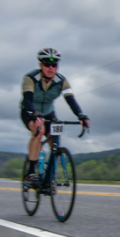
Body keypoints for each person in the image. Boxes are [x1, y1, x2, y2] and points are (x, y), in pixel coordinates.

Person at [20, 47, 91, 184]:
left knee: (56, 138)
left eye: (54, 65)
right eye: (47, 64)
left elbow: (71, 100)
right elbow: (27, 99)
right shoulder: (30, 78)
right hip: (29, 111)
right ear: (41, 65)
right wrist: (34, 113)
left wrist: (81, 115)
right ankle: (31, 172)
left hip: (48, 112)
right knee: (39, 131)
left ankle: (51, 173)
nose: (51, 68)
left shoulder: (61, 81)